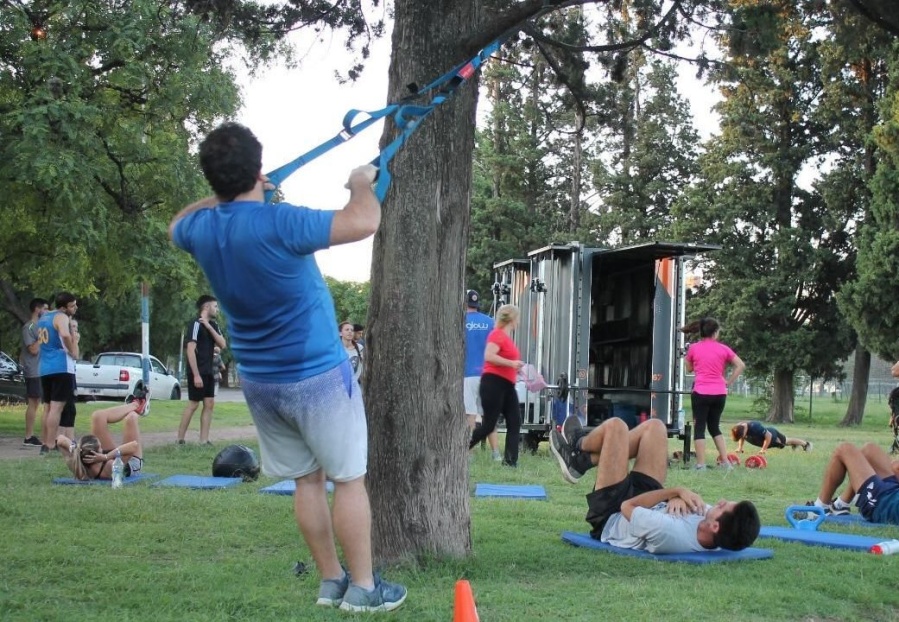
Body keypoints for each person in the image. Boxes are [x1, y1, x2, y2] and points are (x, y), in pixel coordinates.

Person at [169, 122, 406, 612]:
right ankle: (364, 588)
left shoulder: (200, 230)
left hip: (261, 383)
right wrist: (360, 181)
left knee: (306, 481)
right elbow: (362, 221)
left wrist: (229, 194)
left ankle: (330, 581)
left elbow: (177, 221)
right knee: (348, 479)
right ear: (259, 170)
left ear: (213, 181)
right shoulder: (280, 222)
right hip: (317, 376)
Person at [549, 416, 761, 553]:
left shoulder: (669, 533)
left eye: (723, 506)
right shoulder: (711, 522)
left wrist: (675, 491)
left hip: (613, 514)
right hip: (648, 503)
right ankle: (581, 460)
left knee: (616, 427)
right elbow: (686, 503)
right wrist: (675, 497)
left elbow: (628, 507)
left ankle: (579, 446)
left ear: (715, 527)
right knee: (655, 427)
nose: (720, 501)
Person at [680, 317, 745, 470]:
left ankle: (701, 465)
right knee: (715, 427)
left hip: (701, 392)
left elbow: (689, 369)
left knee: (700, 427)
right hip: (719, 393)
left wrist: (689, 360)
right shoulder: (723, 349)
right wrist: (728, 382)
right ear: (715, 333)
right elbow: (741, 365)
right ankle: (725, 463)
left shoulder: (694, 348)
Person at [469, 304, 523, 467]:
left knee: (515, 421)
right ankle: (461, 447)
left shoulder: (507, 338)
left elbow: (507, 361)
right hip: (493, 383)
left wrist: (515, 368)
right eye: (518, 318)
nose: (518, 322)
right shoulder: (497, 335)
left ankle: (510, 461)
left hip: (507, 385)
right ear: (512, 319)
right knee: (489, 425)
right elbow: (488, 356)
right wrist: (511, 363)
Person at [56, 397, 148, 481]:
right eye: (100, 446)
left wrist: (76, 448)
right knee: (131, 418)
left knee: (98, 416)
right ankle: (139, 407)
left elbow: (60, 439)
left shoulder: (77, 463)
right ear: (99, 452)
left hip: (109, 455)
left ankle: (135, 405)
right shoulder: (110, 467)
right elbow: (133, 446)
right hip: (130, 461)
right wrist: (106, 457)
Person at [806, 442, 899, 523]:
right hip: (893, 494)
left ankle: (818, 509)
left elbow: (896, 467)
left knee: (844, 449)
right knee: (869, 450)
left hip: (884, 505)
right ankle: (840, 505)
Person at [177, 294, 226, 445]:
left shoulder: (214, 325)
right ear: (206, 307)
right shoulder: (195, 324)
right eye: (215, 306)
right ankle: (180, 440)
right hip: (197, 372)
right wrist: (196, 375)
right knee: (193, 404)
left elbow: (222, 344)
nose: (217, 309)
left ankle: (203, 441)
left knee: (209, 403)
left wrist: (209, 326)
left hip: (209, 371)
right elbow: (190, 350)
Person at [37, 292, 79, 455]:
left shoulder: (43, 318)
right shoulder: (61, 317)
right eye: (72, 305)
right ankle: (51, 444)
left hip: (45, 367)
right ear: (63, 307)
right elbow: (65, 334)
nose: (75, 308)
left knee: (47, 408)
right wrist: (72, 349)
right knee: (56, 408)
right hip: (61, 366)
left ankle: (44, 442)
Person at [463, 289, 500, 461]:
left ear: (464, 303)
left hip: (467, 373)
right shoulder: (490, 322)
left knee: (470, 415)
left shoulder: (460, 321)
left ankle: (468, 453)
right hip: (488, 375)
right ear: (478, 304)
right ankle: (496, 453)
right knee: (488, 416)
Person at [20, 297, 48, 447]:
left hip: (43, 370)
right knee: (34, 402)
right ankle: (28, 437)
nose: (47, 311)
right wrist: (43, 336)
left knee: (41, 403)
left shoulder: (42, 327)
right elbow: (33, 349)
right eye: (45, 308)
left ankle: (44, 435)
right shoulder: (29, 327)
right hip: (33, 370)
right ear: (37, 309)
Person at [58, 318, 80, 441]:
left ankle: (68, 437)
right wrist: (75, 341)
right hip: (65, 373)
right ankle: (62, 438)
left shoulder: (72, 340)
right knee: (66, 408)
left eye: (76, 327)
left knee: (70, 408)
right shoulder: (65, 340)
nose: (75, 330)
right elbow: (74, 354)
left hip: (71, 374)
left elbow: (76, 357)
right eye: (72, 327)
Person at [730, 421, 812, 453]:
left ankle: (806, 444)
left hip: (771, 435)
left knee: (785, 441)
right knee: (786, 442)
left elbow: (768, 436)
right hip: (759, 439)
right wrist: (740, 448)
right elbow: (742, 437)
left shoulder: (755, 427)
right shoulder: (738, 428)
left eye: (743, 436)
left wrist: (763, 449)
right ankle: (795, 445)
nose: (743, 437)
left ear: (744, 431)